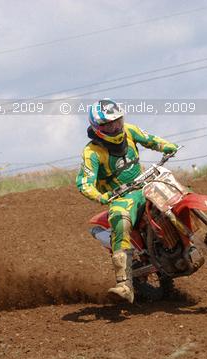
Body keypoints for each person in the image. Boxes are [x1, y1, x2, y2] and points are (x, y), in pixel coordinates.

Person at [76, 98, 178, 303]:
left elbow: (150, 139)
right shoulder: (92, 153)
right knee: (120, 221)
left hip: (144, 184)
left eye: (117, 121)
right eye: (108, 124)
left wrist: (167, 146)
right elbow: (84, 183)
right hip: (121, 197)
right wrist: (101, 196)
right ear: (97, 127)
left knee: (176, 191)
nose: (115, 126)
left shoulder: (129, 131)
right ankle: (125, 284)